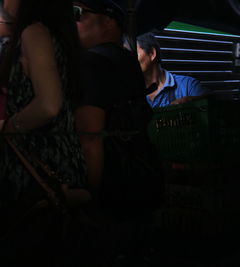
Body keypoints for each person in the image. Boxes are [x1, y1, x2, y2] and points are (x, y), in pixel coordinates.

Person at [73, 0, 164, 265]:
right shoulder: (126, 61)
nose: (73, 22)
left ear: (109, 22)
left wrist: (88, 197)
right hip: (139, 180)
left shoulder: (91, 63)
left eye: (79, 14)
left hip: (110, 192)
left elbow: (90, 139)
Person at [0, 0, 90, 266]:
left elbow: (49, 105)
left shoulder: (33, 32)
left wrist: (8, 126)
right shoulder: (57, 35)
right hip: (59, 166)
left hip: (36, 172)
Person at [136, 31, 211, 108]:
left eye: (134, 54)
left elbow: (213, 101)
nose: (129, 59)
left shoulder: (188, 86)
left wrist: (190, 101)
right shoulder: (133, 94)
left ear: (152, 53)